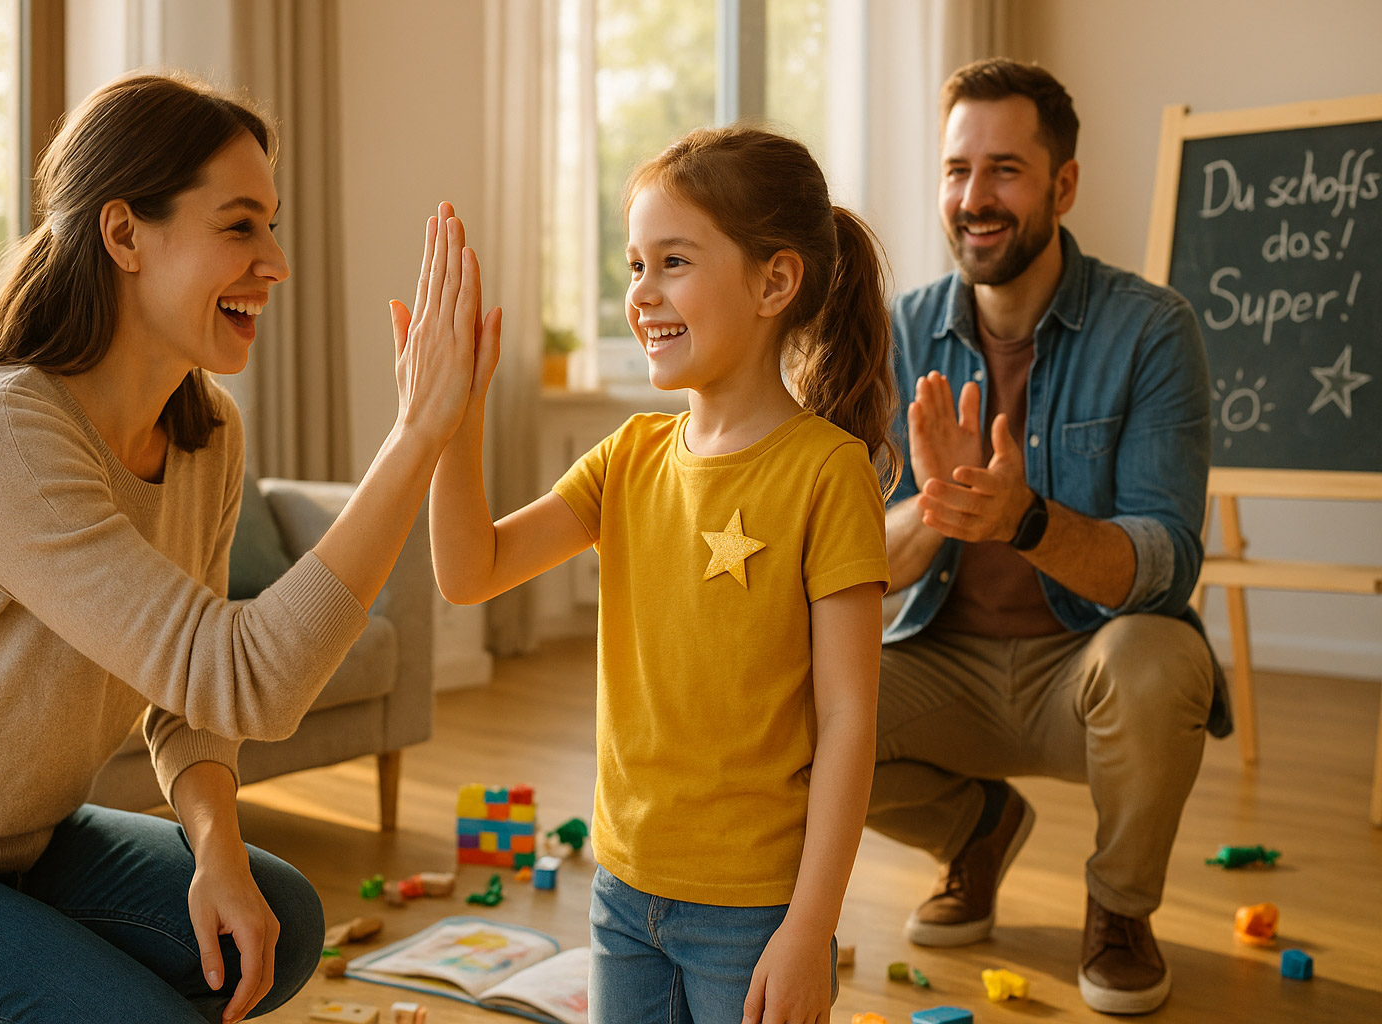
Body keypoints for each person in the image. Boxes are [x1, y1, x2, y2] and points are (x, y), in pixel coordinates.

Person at [0, 73, 492, 1024]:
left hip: (24, 841)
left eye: (272, 226)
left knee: (280, 920)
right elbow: (246, 677)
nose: (274, 262)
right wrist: (415, 440)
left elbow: (191, 697)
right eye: (239, 227)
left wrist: (218, 852)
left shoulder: (205, 434)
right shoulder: (5, 438)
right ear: (124, 236)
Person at [431, 125, 895, 1024]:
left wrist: (810, 927)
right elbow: (470, 572)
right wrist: (456, 418)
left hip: (757, 912)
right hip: (622, 894)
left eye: (672, 261)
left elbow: (848, 720)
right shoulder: (629, 456)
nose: (641, 294)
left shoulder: (827, 471)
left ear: (775, 282)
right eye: (635, 265)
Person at [865, 58, 1227, 1016]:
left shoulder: (1153, 331)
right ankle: (975, 831)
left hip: (1087, 671)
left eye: (1005, 170)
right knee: (789, 688)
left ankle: (1117, 909)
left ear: (1063, 184)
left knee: (1162, 658)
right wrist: (936, 510)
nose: (973, 199)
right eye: (955, 170)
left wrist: (1025, 521)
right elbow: (852, 554)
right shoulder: (896, 335)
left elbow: (1165, 561)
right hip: (942, 663)